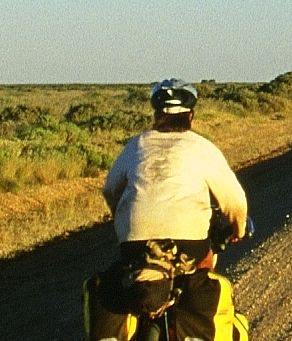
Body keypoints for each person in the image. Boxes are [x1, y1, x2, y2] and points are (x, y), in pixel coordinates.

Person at [101, 79, 249, 279]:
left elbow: (110, 190)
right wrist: (238, 230)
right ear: (190, 115)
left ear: (157, 114)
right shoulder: (202, 147)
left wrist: (123, 216)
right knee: (203, 268)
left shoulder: (136, 145)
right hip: (188, 240)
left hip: (134, 241)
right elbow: (234, 201)